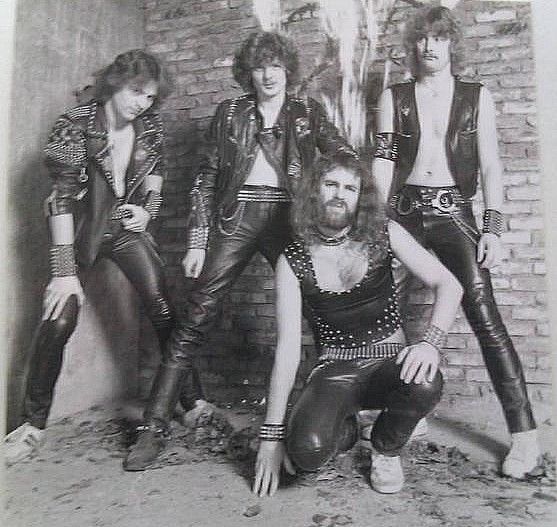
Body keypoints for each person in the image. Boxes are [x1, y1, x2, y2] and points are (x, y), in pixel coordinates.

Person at [124, 31, 357, 471]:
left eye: (275, 66)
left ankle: (337, 416)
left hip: (290, 217)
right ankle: (153, 428)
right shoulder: (230, 112)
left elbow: (344, 156)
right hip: (238, 215)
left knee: (322, 310)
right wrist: (197, 240)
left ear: (288, 70)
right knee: (196, 315)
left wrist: (339, 210)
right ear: (248, 72)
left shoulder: (306, 112)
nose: (268, 75)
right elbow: (207, 177)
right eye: (259, 67)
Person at [4, 50, 203, 464]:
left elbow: (156, 170)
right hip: (78, 233)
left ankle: (193, 403)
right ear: (114, 83)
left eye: (150, 96)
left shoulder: (149, 126)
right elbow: (59, 200)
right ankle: (31, 426)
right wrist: (63, 272)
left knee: (165, 308)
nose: (142, 103)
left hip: (123, 230)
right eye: (136, 91)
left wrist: (148, 209)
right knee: (60, 318)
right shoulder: (74, 125)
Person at [372, 5, 539, 479]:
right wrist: (375, 220)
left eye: (440, 38)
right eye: (423, 38)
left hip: (453, 213)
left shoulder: (475, 96)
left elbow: (491, 165)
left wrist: (494, 227)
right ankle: (408, 410)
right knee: (382, 311)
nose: (430, 46)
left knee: (484, 315)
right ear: (414, 45)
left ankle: (524, 435)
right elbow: (384, 160)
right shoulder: (394, 97)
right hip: (402, 212)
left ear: (452, 44)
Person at [252, 155, 462, 496]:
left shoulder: (384, 233)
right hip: (335, 370)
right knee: (305, 453)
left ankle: (385, 449)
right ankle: (347, 426)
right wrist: (270, 437)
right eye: (331, 184)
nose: (340, 194)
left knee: (425, 381)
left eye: (350, 188)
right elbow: (288, 349)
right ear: (314, 191)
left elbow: (449, 284)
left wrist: (430, 343)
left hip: (389, 364)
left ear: (360, 198)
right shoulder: (291, 261)